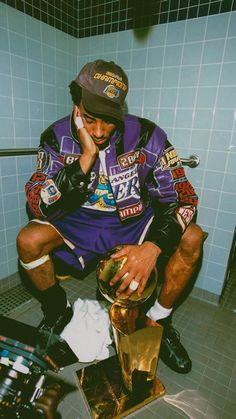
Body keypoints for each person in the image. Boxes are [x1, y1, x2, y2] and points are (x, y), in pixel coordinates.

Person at [16, 60, 205, 374]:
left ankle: (159, 321)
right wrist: (85, 160)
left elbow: (185, 197)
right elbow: (37, 203)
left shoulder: (146, 136)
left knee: (193, 236)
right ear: (77, 106)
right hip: (75, 224)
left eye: (109, 121)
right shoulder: (56, 137)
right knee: (28, 240)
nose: (100, 132)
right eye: (90, 120)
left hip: (133, 225)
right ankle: (56, 312)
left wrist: (153, 247)